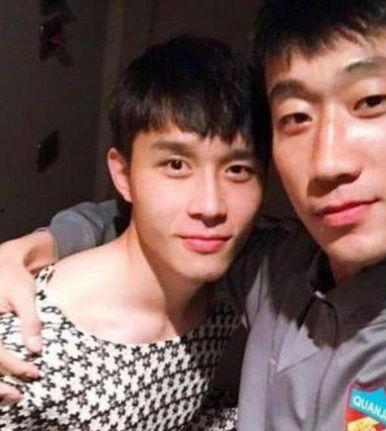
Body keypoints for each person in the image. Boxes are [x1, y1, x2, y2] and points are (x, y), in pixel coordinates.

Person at [1, 0, 386, 429]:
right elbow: (154, 223)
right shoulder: (276, 264)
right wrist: (38, 245)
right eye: (296, 117)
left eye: (370, 101)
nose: (328, 162)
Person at [0, 35, 266, 430]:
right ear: (123, 175)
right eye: (176, 165)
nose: (210, 206)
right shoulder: (30, 349)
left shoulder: (231, 286)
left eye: (238, 169)